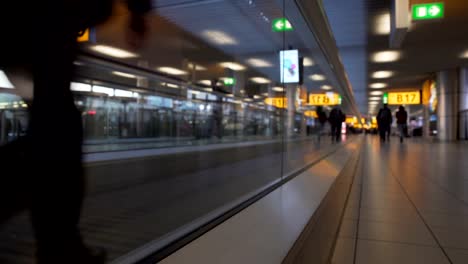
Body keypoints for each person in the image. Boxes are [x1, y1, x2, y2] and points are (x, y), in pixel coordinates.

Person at [0, 1, 151, 263]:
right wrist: (139, 10)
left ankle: (59, 243)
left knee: (51, 125)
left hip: (22, 28)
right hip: (45, 21)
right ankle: (60, 246)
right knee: (58, 131)